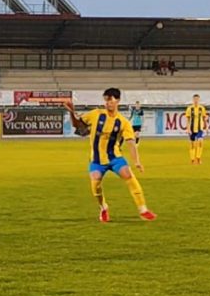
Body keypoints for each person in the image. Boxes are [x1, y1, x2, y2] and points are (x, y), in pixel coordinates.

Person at [66, 88, 156, 223]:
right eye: (106, 100)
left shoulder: (123, 122)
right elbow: (77, 125)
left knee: (128, 175)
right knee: (96, 182)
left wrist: (136, 161)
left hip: (115, 158)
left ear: (117, 100)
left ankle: (143, 210)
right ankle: (103, 207)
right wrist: (71, 112)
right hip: (97, 159)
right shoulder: (96, 114)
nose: (107, 103)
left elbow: (131, 142)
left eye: (110, 100)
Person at [185, 94, 209, 164]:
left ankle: (198, 158)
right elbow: (188, 120)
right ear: (193, 100)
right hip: (192, 129)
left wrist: (206, 127)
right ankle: (192, 159)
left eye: (197, 99)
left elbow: (204, 118)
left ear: (199, 100)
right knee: (192, 144)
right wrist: (188, 129)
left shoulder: (202, 108)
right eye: (195, 99)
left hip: (200, 128)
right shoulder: (189, 108)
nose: (196, 100)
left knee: (200, 142)